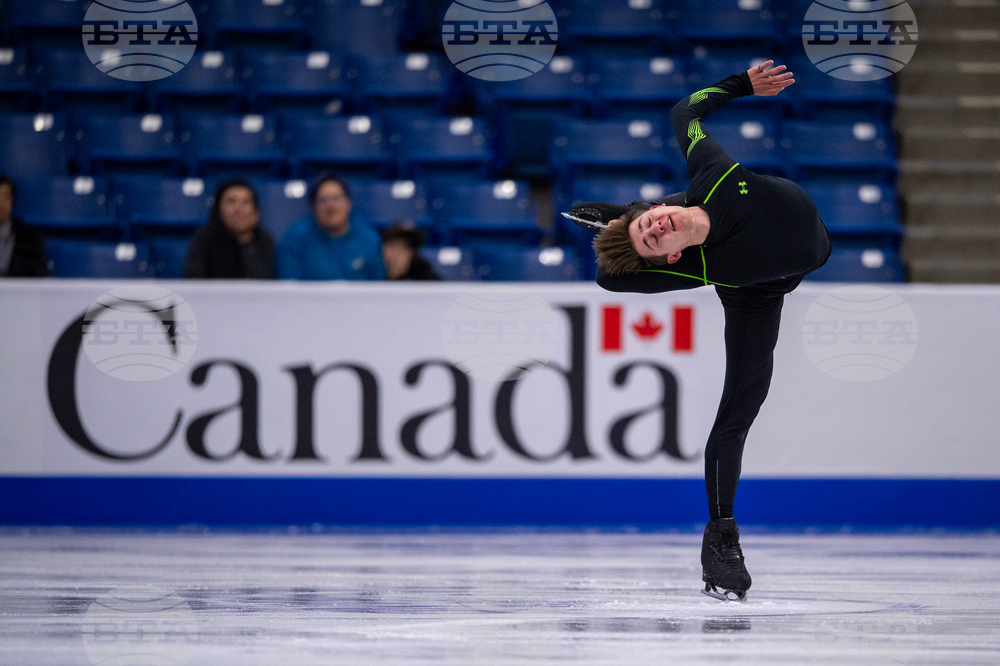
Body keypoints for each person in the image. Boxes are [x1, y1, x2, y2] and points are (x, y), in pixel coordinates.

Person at [572, 60, 831, 602]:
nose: (657, 227)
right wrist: (629, 227)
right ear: (671, 257)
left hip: (792, 224)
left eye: (648, 221)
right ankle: (721, 540)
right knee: (737, 412)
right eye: (651, 238)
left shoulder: (710, 173)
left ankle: (621, 214)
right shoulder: (694, 266)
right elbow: (605, 279)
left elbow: (684, 111)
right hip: (757, 291)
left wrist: (741, 85)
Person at [276, 172, 385, 280]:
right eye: (323, 200)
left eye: (336, 199)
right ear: (313, 207)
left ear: (348, 202)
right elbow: (289, 286)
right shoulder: (295, 239)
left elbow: (377, 287)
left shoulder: (369, 239)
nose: (331, 207)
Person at [185, 179, 275, 279]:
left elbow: (263, 284)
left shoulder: (265, 240)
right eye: (231, 201)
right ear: (218, 209)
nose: (239, 209)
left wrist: (245, 239)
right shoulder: (203, 239)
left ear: (255, 212)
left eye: (246, 202)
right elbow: (194, 282)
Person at [0, 174, 48, 277]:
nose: (0, 203)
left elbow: (41, 277)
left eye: (5, 197)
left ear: (13, 201)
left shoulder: (30, 239)